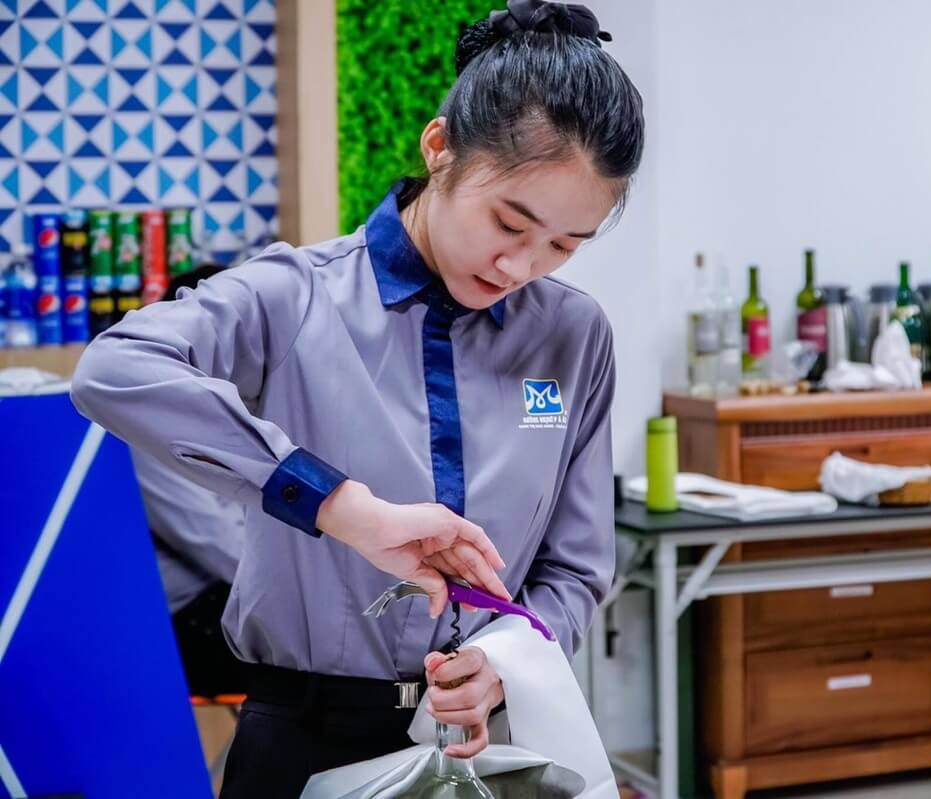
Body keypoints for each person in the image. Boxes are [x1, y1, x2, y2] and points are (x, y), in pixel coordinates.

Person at [69, 0, 645, 795]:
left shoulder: (573, 335)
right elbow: (114, 368)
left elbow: (576, 567)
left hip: (484, 741)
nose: (520, 266)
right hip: (301, 740)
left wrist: (507, 662)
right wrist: (339, 505)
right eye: (510, 223)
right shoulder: (295, 295)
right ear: (440, 147)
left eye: (562, 245)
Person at [131, 265, 249, 699]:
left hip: (229, 596)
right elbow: (220, 546)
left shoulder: (232, 406)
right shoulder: (146, 419)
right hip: (185, 620)